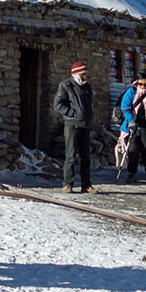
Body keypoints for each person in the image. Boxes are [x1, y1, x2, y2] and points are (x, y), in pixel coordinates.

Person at [54, 61, 95, 194]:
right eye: (83, 74)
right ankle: (68, 184)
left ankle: (86, 184)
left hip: (85, 125)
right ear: (76, 73)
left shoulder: (87, 86)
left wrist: (89, 115)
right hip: (72, 125)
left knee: (86, 156)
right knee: (71, 155)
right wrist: (72, 113)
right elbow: (58, 105)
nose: (85, 77)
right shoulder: (66, 85)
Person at [120, 77, 146, 184]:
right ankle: (132, 173)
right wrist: (130, 121)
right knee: (133, 150)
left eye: (145, 84)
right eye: (140, 84)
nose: (143, 87)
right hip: (133, 126)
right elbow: (125, 107)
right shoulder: (131, 93)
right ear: (136, 83)